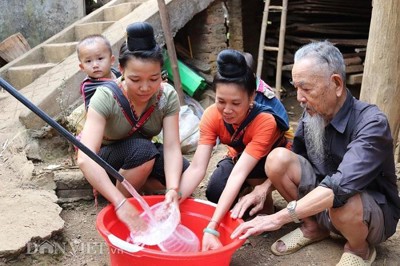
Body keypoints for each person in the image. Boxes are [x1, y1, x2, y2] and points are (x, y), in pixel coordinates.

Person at [231, 41, 400, 265]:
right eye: (296, 87)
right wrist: (262, 190)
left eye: (306, 88)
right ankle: (313, 227)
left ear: (337, 84)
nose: (299, 97)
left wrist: (278, 218)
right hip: (327, 201)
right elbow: (295, 157)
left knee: (341, 200)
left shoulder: (371, 123)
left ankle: (359, 249)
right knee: (277, 159)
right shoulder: (312, 113)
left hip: (368, 212)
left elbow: (340, 188)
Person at [77, 21, 189, 233]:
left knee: (184, 173)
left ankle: (145, 187)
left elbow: (172, 146)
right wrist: (120, 203)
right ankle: (122, 203)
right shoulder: (105, 96)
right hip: (109, 159)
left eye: (154, 78)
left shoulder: (167, 96)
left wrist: (174, 189)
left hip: (139, 157)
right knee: (143, 150)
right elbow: (85, 157)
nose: (145, 87)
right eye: (135, 79)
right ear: (120, 70)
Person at [179, 49, 289, 251]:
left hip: (271, 163)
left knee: (254, 172)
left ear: (251, 97)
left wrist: (212, 227)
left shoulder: (265, 121)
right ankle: (244, 195)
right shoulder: (212, 115)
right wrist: (174, 200)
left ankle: (265, 204)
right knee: (215, 193)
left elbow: (240, 173)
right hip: (239, 157)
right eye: (221, 101)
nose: (227, 110)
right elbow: (196, 168)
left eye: (236, 103)